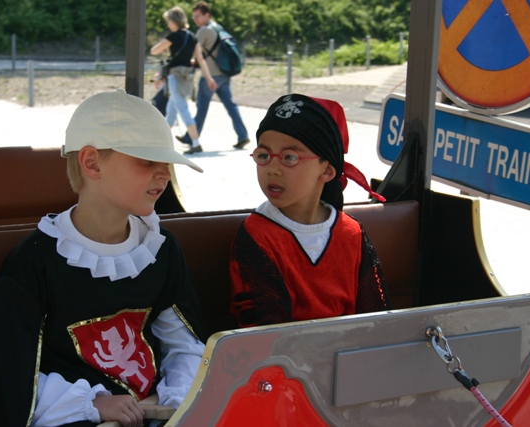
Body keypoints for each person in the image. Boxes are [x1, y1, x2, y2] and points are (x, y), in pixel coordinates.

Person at [0, 90, 207, 427]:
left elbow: (183, 344)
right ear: (92, 163)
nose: (164, 175)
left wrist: (171, 397)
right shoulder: (34, 264)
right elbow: (12, 372)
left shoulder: (161, 250)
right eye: (147, 162)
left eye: (166, 163)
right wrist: (94, 404)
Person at [229, 93, 390, 328]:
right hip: (281, 359)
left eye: (289, 157)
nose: (272, 169)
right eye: (264, 155)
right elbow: (265, 328)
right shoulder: (256, 235)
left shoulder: (352, 233)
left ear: (326, 171)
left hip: (349, 356)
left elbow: (375, 317)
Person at [177, 2, 250, 150]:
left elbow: (193, 51)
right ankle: (243, 135)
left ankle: (191, 138)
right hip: (224, 74)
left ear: (206, 15)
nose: (195, 19)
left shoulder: (203, 31)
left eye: (198, 16)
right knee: (231, 106)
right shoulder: (218, 27)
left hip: (210, 76)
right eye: (194, 16)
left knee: (202, 107)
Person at [150, 5, 216, 155]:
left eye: (168, 21)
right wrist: (209, 78)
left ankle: (196, 142)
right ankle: (163, 142)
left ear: (174, 21)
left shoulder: (174, 36)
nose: (168, 24)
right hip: (187, 79)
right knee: (171, 112)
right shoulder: (193, 37)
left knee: (182, 109)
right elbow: (201, 60)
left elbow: (154, 51)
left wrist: (166, 47)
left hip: (175, 78)